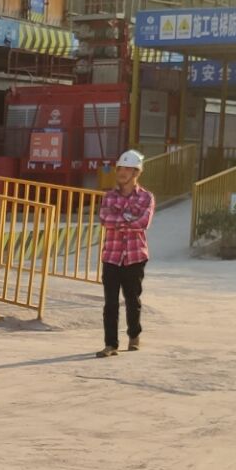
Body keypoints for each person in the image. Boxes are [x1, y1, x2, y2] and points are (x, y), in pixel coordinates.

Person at [97, 148, 155, 358]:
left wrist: (120, 220)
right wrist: (128, 219)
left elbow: (143, 222)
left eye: (127, 169)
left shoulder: (146, 197)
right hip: (111, 256)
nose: (122, 172)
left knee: (132, 299)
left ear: (136, 172)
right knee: (110, 303)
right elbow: (105, 219)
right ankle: (110, 344)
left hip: (135, 256)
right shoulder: (109, 197)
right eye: (120, 168)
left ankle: (134, 335)